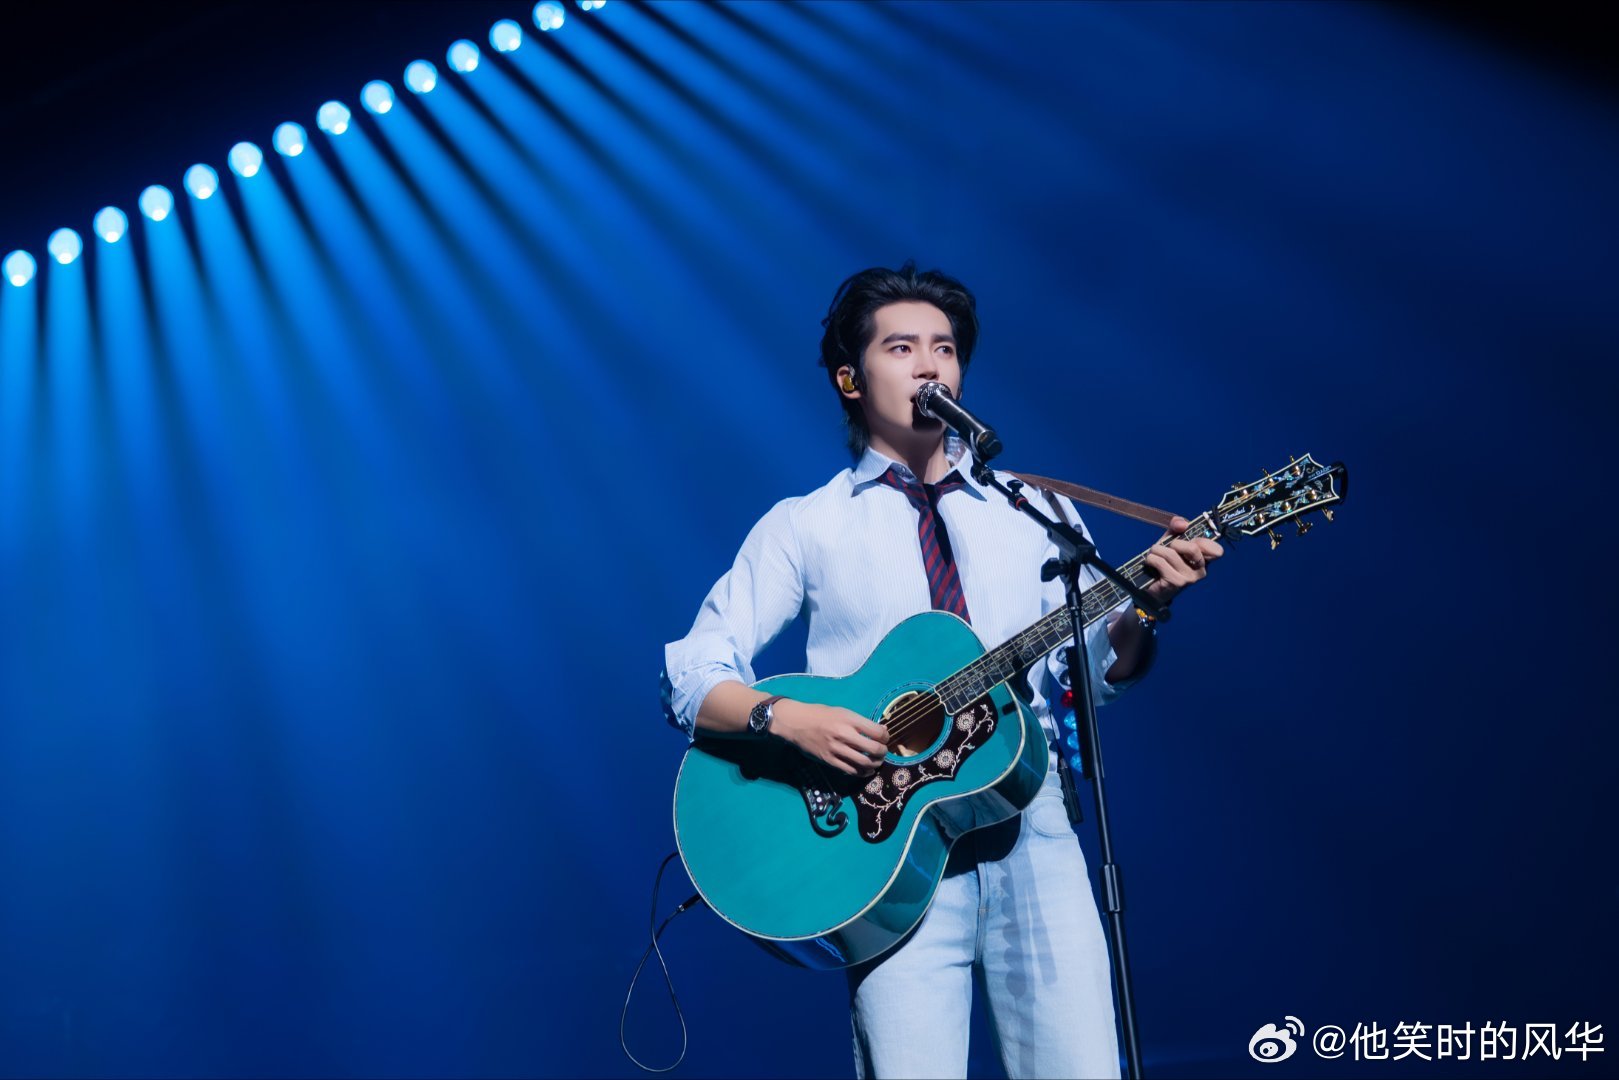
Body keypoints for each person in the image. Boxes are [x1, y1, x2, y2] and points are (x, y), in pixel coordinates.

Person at [661, 263, 1223, 1078]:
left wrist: (1142, 611)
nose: (930, 365)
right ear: (850, 379)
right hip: (884, 851)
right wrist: (788, 719)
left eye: (945, 348)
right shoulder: (805, 526)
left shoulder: (1035, 512)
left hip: (1035, 827)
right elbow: (691, 670)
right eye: (901, 348)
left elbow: (1086, 679)